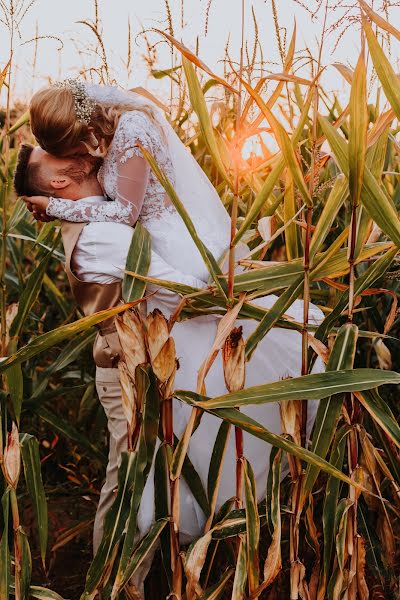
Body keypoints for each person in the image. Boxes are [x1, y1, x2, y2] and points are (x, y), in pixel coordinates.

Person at [22, 80, 325, 595]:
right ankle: (122, 579)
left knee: (171, 453)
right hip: (136, 340)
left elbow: (129, 218)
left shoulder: (125, 153)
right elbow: (149, 257)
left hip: (163, 309)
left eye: (71, 154)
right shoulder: (98, 230)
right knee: (134, 472)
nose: (79, 167)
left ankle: (155, 566)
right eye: (63, 166)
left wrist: (57, 207)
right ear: (53, 184)